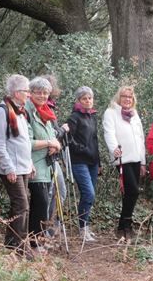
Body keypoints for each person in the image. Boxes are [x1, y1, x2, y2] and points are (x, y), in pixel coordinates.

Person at [0, 74, 34, 251]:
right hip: (11, 168)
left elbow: (24, 141)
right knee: (21, 205)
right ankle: (19, 246)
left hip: (23, 167)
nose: (29, 94)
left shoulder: (20, 112)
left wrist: (30, 163)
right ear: (16, 93)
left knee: (22, 205)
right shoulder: (2, 111)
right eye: (26, 91)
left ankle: (11, 245)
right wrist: (8, 167)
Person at [103, 86, 146, 239]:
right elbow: (109, 132)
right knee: (132, 191)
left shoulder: (134, 114)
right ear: (118, 97)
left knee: (130, 193)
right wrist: (114, 148)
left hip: (136, 158)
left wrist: (143, 161)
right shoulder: (111, 112)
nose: (127, 99)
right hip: (122, 158)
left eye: (130, 97)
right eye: (124, 96)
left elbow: (140, 137)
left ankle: (123, 226)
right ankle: (126, 223)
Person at [26, 77, 61, 248]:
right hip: (33, 164)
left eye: (45, 92)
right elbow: (27, 141)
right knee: (40, 202)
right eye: (38, 92)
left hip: (46, 165)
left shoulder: (45, 111)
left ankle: (38, 240)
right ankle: (34, 243)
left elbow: (52, 135)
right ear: (30, 93)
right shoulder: (27, 111)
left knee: (43, 203)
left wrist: (55, 144)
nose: (42, 95)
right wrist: (49, 143)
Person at [66, 86, 101, 241]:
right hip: (79, 161)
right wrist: (82, 149)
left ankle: (85, 226)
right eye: (84, 98)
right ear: (78, 100)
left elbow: (95, 140)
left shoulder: (92, 116)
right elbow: (69, 139)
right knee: (88, 193)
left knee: (90, 196)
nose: (88, 101)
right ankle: (82, 229)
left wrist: (99, 162)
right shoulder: (74, 117)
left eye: (90, 98)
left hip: (93, 162)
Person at [42, 75, 68, 236]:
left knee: (60, 192)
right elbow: (52, 133)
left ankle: (52, 226)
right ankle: (44, 229)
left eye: (48, 89)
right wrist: (63, 130)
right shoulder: (40, 108)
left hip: (53, 156)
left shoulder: (50, 107)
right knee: (50, 193)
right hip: (45, 157)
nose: (45, 93)